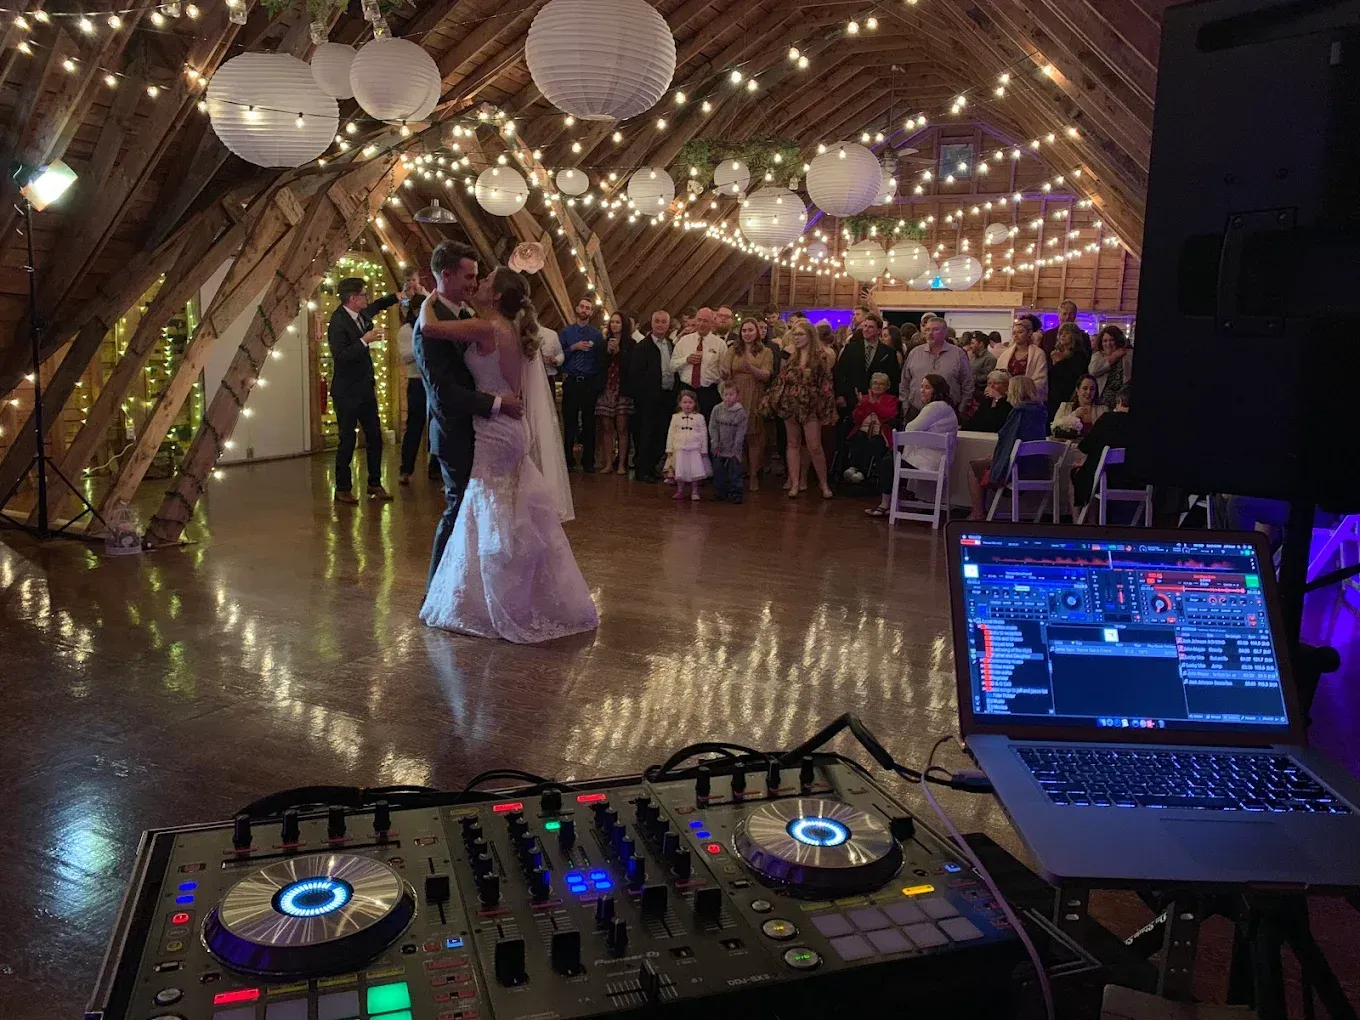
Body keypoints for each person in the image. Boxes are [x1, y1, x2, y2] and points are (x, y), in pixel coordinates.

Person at [416, 266, 597, 643]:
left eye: (484, 282)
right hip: (508, 427)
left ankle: (491, 598)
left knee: (488, 506)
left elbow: (429, 328)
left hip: (495, 428)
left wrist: (430, 295)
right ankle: (513, 590)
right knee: (505, 507)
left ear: (496, 296)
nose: (478, 285)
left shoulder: (487, 328)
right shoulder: (508, 329)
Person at [328, 276, 400, 504]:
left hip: (365, 389)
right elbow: (341, 357)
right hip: (347, 391)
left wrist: (396, 297)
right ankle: (342, 488)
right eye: (363, 295)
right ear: (352, 298)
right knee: (347, 440)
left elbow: (377, 306)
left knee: (375, 437)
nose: (367, 298)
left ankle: (374, 483)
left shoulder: (360, 315)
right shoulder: (338, 322)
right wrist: (364, 340)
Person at [866, 373, 959, 517]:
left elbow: (911, 428)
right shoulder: (945, 407)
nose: (922, 390)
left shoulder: (935, 407)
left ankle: (885, 504)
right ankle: (891, 502)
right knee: (889, 457)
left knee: (886, 462)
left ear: (937, 390)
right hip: (937, 458)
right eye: (921, 386)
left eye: (927, 387)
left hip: (929, 460)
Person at [966, 375, 1048, 520]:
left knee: (974, 468)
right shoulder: (1041, 411)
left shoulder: (1020, 412)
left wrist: (997, 457)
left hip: (1018, 467)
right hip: (1038, 466)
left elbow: (1007, 439)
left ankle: (978, 513)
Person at [770, 317, 836, 499]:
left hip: (811, 406)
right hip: (790, 404)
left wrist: (829, 409)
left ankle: (823, 483)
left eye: (800, 334)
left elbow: (826, 384)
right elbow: (781, 380)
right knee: (792, 443)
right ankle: (795, 482)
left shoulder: (821, 357)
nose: (796, 338)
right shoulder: (791, 357)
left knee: (814, 446)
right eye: (794, 334)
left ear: (810, 335)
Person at [720, 319, 773, 490]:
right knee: (733, 435)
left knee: (753, 436)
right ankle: (734, 472)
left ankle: (754, 475)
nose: (747, 333)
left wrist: (750, 368)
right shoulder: (733, 350)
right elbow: (726, 373)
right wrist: (723, 372)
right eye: (744, 331)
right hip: (735, 394)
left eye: (751, 330)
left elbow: (766, 375)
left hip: (754, 394)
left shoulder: (766, 352)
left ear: (757, 332)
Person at [1070, 383, 1136, 517]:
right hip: (1136, 479)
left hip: (1107, 479)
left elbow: (1085, 446)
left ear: (1119, 401)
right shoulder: (1143, 425)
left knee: (1077, 474)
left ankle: (1080, 522)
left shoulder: (1107, 419)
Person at [625, 310, 674, 482]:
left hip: (666, 396)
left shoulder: (671, 345)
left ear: (668, 325)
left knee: (661, 434)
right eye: (657, 321)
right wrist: (643, 396)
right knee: (645, 434)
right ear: (652, 323)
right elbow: (636, 374)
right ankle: (642, 470)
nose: (660, 324)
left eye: (663, 322)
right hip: (648, 399)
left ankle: (652, 467)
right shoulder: (642, 347)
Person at [396, 272, 434, 485]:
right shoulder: (405, 331)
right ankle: (406, 469)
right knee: (414, 426)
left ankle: (435, 468)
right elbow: (406, 356)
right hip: (417, 383)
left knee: (436, 426)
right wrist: (423, 346)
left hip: (433, 381)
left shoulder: (431, 327)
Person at [559, 297, 602, 472]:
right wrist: (573, 348)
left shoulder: (597, 335)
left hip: (589, 383)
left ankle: (588, 461)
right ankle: (567, 459)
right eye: (582, 306)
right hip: (571, 381)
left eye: (588, 308)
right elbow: (559, 357)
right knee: (569, 422)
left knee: (589, 422)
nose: (584, 310)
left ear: (591, 312)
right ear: (577, 308)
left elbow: (600, 360)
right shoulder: (566, 333)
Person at [901, 316, 975, 416]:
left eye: (935, 329)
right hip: (916, 411)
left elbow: (968, 384)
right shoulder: (915, 353)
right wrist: (906, 407)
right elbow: (904, 382)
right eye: (927, 329)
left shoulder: (958, 354)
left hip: (947, 413)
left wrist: (960, 410)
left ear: (945, 333)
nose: (930, 333)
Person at [835, 312, 902, 417]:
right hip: (852, 399)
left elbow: (894, 378)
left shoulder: (889, 352)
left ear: (879, 330)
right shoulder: (851, 348)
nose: (866, 329)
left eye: (870, 327)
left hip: (879, 402)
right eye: (864, 326)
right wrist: (840, 395)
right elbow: (839, 372)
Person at [594, 312, 635, 474]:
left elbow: (630, 368)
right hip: (607, 388)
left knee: (622, 427)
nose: (614, 325)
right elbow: (599, 365)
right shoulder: (603, 344)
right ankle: (608, 463)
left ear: (624, 324)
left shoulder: (631, 344)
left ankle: (622, 464)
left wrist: (618, 352)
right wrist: (608, 352)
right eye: (612, 322)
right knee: (606, 427)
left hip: (622, 389)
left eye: (618, 322)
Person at [843, 371, 899, 484]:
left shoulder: (891, 400)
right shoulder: (863, 398)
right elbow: (856, 419)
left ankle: (862, 472)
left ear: (887, 387)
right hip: (862, 431)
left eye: (881, 384)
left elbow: (889, 415)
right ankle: (853, 467)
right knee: (859, 437)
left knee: (873, 442)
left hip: (881, 434)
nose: (877, 386)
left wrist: (873, 404)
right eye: (875, 383)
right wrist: (860, 405)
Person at [670, 306, 726, 419]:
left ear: (712, 323)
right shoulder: (684, 341)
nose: (701, 324)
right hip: (686, 391)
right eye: (699, 320)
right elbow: (672, 366)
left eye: (705, 321)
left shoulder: (719, 344)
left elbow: (723, 372)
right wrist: (686, 360)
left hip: (708, 393)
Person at [666, 389, 710, 501]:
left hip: (694, 448)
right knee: (680, 470)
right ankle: (680, 490)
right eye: (685, 402)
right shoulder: (675, 417)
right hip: (679, 447)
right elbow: (671, 432)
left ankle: (695, 491)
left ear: (695, 404)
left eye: (690, 402)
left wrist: (704, 449)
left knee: (695, 470)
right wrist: (669, 447)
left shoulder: (699, 417)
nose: (687, 405)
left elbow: (704, 433)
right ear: (680, 403)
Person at [708, 381, 749, 503]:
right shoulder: (717, 409)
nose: (728, 397)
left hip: (733, 448)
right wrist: (715, 442)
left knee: (735, 472)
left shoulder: (741, 412)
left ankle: (735, 494)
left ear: (737, 396)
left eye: (732, 394)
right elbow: (713, 426)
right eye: (726, 394)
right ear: (722, 395)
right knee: (719, 471)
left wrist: (736, 448)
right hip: (719, 447)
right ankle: (720, 492)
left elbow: (741, 431)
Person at [994, 317, 1049, 402]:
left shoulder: (1038, 354)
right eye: (1014, 333)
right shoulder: (1005, 354)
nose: (1016, 335)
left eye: (1020, 332)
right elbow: (998, 375)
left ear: (1029, 333)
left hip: (1028, 399)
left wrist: (1023, 391)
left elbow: (1040, 379)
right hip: (1007, 397)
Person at [1045, 322, 1087, 421]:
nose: (1062, 336)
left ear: (1074, 336)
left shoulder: (1079, 355)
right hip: (1054, 394)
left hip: (1068, 395)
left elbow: (1071, 376)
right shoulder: (1056, 353)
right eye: (1061, 333)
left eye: (1067, 333)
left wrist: (1059, 362)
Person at [1090, 324, 1132, 409]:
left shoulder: (1128, 354)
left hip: (1123, 401)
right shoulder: (1098, 356)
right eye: (1105, 341)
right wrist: (1114, 356)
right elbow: (1093, 371)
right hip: (1102, 401)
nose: (1108, 344)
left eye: (1111, 340)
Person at [1051, 373, 1105, 439]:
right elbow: (1054, 426)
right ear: (1077, 390)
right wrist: (1074, 415)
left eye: (1092, 389)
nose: (1088, 392)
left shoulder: (1102, 410)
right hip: (1070, 447)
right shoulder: (1065, 407)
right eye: (1085, 388)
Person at [964, 331, 996, 402]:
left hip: (981, 394)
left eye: (973, 343)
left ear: (981, 344)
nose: (970, 346)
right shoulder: (974, 357)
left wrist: (973, 378)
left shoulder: (989, 358)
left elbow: (988, 376)